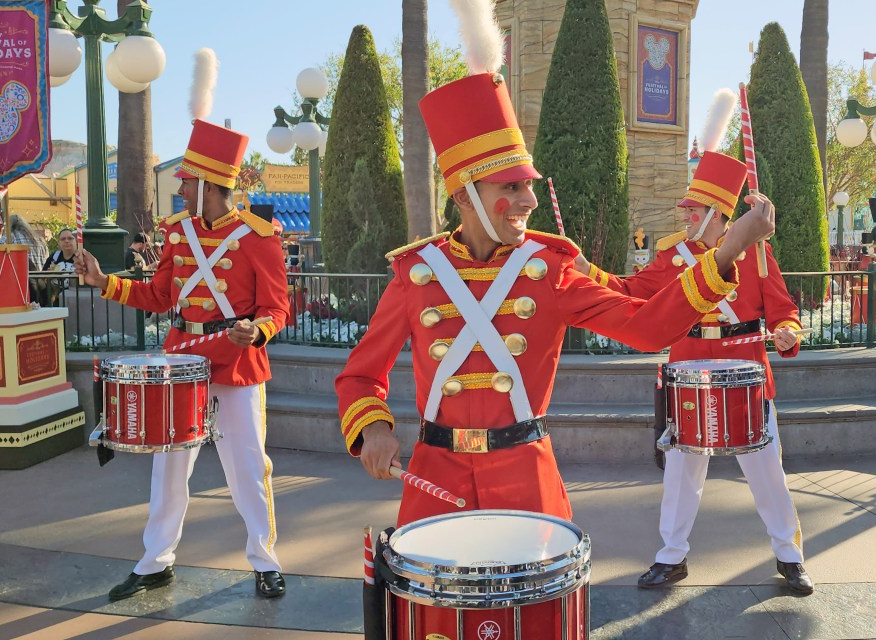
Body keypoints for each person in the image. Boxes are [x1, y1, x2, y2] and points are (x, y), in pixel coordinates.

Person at [334, 37, 774, 531]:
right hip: (436, 483)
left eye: (528, 185)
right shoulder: (416, 274)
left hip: (526, 481)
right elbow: (359, 376)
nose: (529, 200)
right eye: (511, 187)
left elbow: (648, 328)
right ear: (463, 194)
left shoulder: (551, 269)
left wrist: (729, 250)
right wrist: (372, 427)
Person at [579, 142, 812, 594]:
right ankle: (672, 557)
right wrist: (589, 271)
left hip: (746, 370)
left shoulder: (760, 256)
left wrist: (787, 332)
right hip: (688, 370)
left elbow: (784, 311)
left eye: (694, 209)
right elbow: (631, 290)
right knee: (682, 472)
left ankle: (790, 555)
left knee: (767, 470)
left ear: (719, 215)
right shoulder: (672, 258)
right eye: (686, 209)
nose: (685, 216)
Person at [75, 118, 290, 601]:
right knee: (168, 469)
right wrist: (102, 281)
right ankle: (155, 562)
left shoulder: (258, 237)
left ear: (210, 186)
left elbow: (278, 307)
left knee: (249, 468)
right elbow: (156, 294)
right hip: (183, 365)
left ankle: (264, 560)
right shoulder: (177, 235)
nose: (181, 186)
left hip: (235, 365)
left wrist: (257, 330)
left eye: (188, 181)